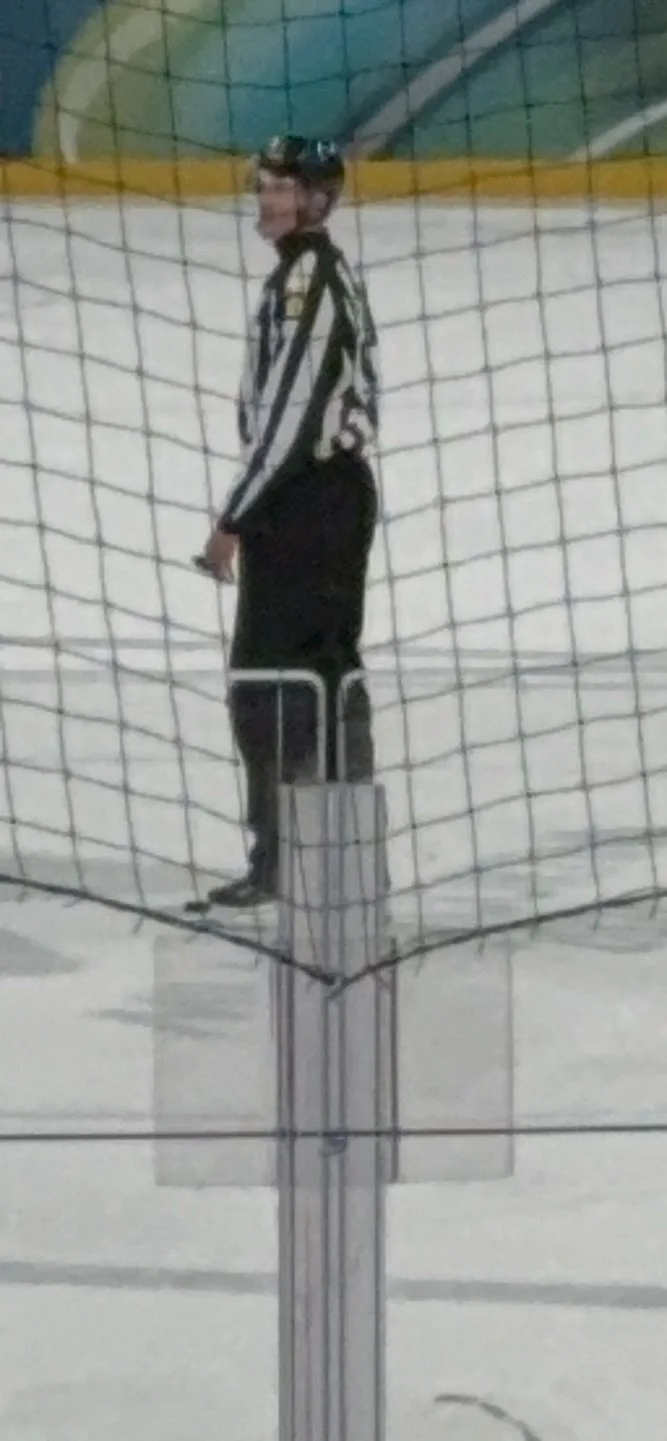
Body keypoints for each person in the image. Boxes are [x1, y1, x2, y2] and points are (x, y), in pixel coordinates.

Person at [192, 137, 379, 912]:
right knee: (315, 675)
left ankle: (291, 858)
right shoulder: (302, 277)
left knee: (275, 682)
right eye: (265, 185)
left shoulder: (312, 283)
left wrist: (235, 516)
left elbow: (291, 419)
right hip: (313, 499)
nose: (267, 199)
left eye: (283, 188)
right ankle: (324, 855)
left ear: (318, 200)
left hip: (311, 501)